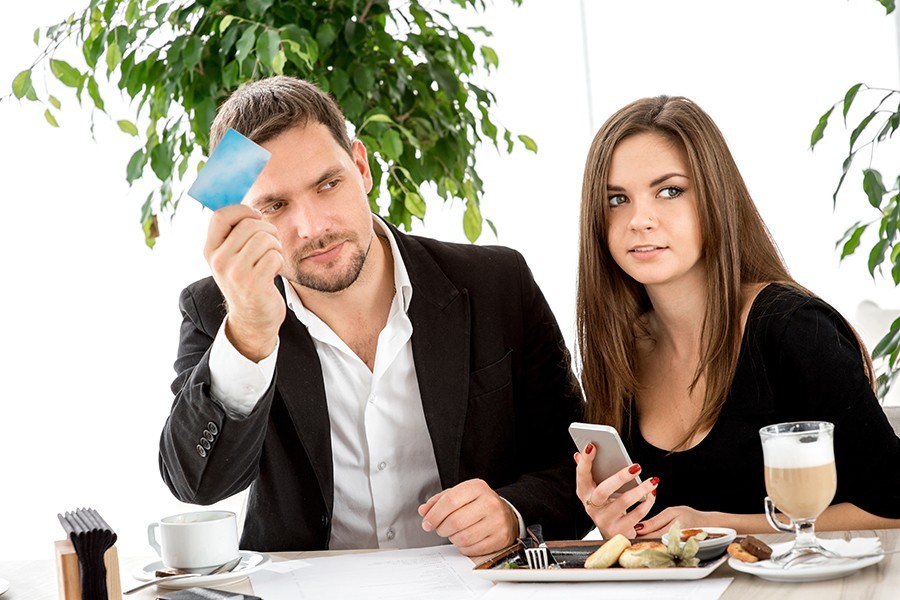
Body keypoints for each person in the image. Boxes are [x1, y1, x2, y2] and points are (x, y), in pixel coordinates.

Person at [159, 75, 590, 555]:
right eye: (276, 205)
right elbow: (197, 485)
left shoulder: (496, 283)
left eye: (327, 184)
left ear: (361, 167)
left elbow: (577, 466)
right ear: (242, 219)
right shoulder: (217, 309)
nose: (313, 227)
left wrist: (512, 514)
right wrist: (250, 331)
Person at [573, 95, 900, 539]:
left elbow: (892, 504)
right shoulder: (620, 349)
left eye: (670, 191)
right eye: (616, 199)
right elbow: (658, 536)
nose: (639, 220)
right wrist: (616, 521)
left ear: (715, 198)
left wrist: (717, 526)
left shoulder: (792, 329)